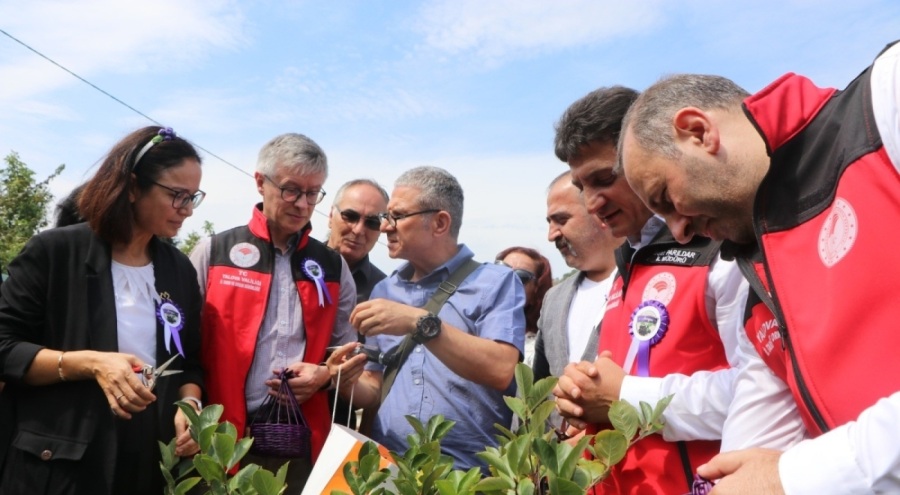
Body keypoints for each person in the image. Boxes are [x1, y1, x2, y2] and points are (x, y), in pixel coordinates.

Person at [619, 41, 900, 494]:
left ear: (697, 131)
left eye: (666, 199)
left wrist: (795, 476)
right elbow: (755, 438)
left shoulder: (885, 100)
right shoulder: (755, 275)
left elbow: (779, 478)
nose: (679, 231)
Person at [550, 86, 802, 494]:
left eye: (604, 179)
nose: (592, 202)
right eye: (582, 186)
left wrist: (624, 396)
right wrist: (587, 401)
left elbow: (771, 390)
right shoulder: (626, 263)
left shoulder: (722, 251)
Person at [0, 125, 206, 494]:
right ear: (132, 186)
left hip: (147, 463)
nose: (187, 210)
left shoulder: (178, 269)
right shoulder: (55, 252)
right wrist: (91, 363)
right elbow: (5, 347)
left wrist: (189, 405)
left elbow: (188, 361)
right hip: (62, 464)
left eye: (193, 197)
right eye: (177, 195)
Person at [190, 133, 358, 492]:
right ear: (260, 182)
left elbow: (347, 352)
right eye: (291, 190)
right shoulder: (214, 251)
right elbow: (183, 347)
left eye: (313, 193)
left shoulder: (332, 266)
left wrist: (325, 375)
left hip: (298, 444)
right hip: (220, 439)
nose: (303, 204)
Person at [334, 165, 525, 473]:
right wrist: (345, 381)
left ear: (439, 223)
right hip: (390, 470)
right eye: (386, 216)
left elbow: (501, 369)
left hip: (468, 475)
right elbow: (374, 387)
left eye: (397, 216)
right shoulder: (385, 290)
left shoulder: (496, 282)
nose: (385, 227)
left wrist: (419, 321)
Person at [533, 172, 619, 387]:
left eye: (562, 220)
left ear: (600, 213)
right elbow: (535, 389)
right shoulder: (553, 298)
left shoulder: (650, 286)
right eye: (550, 223)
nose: (551, 235)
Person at [324, 178, 390, 430]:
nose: (359, 229)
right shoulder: (291, 263)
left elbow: (380, 378)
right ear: (330, 215)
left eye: (372, 222)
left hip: (338, 426)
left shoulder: (385, 292)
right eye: (350, 216)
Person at [495, 246, 552, 367]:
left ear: (536, 290)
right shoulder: (466, 326)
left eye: (520, 276)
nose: (507, 280)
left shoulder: (537, 350)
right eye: (501, 270)